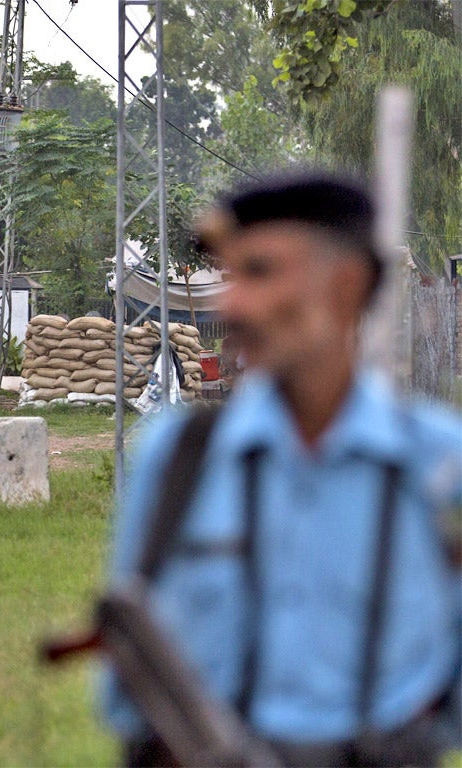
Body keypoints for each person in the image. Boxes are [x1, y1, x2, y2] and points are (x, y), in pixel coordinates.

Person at [104, 170, 461, 767]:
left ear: (346, 287)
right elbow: (126, 681)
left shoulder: (438, 465)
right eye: (232, 274)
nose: (234, 303)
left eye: (261, 272)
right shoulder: (179, 458)